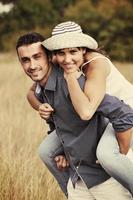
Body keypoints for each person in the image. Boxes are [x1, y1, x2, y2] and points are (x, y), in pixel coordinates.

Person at [16, 32, 133, 200]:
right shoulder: (43, 88)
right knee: (45, 151)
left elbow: (122, 111)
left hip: (106, 178)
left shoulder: (79, 80)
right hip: (79, 179)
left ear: (49, 57)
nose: (32, 65)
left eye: (37, 57)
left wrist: (122, 150)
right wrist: (62, 151)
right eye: (25, 60)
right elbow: (42, 105)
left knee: (107, 155)